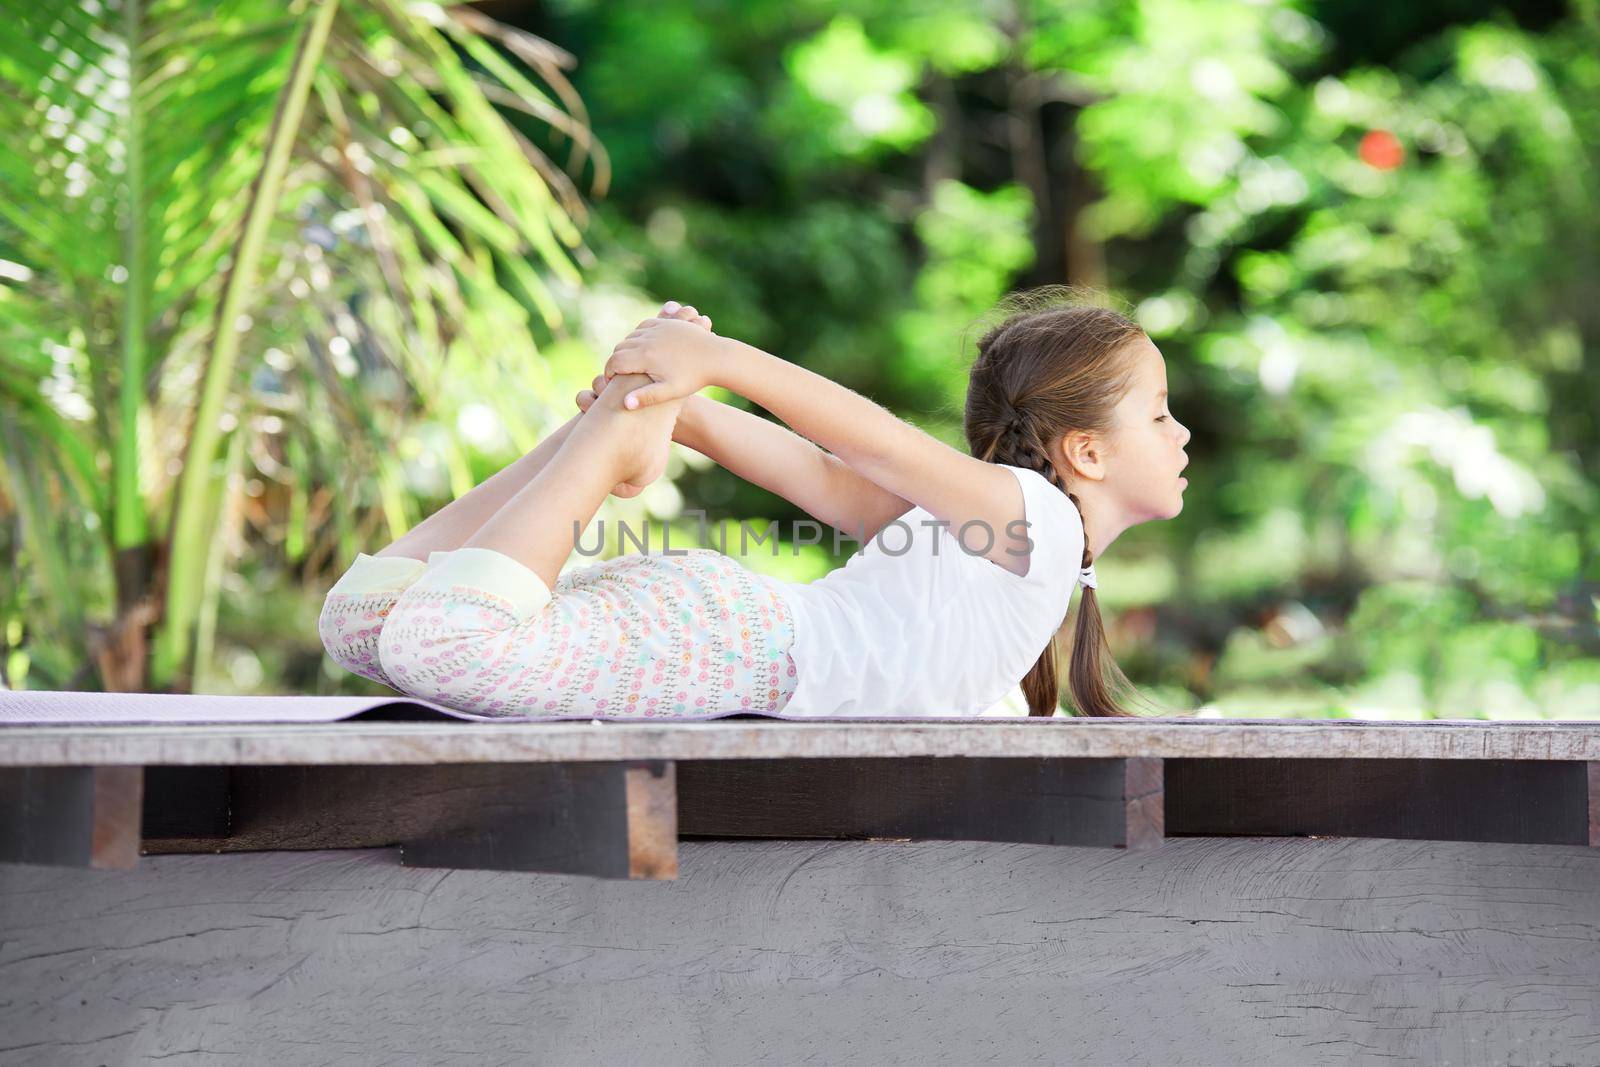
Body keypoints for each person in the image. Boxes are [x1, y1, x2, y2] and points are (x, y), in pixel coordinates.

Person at [318, 286, 1190, 719]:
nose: (1181, 435)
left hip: (723, 627)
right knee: (446, 643)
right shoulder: (1039, 518)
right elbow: (869, 446)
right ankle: (621, 430)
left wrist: (689, 410)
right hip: (737, 641)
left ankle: (623, 421)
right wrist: (720, 361)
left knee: (363, 623)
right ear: (1086, 451)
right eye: (1159, 415)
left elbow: (817, 477)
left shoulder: (992, 562)